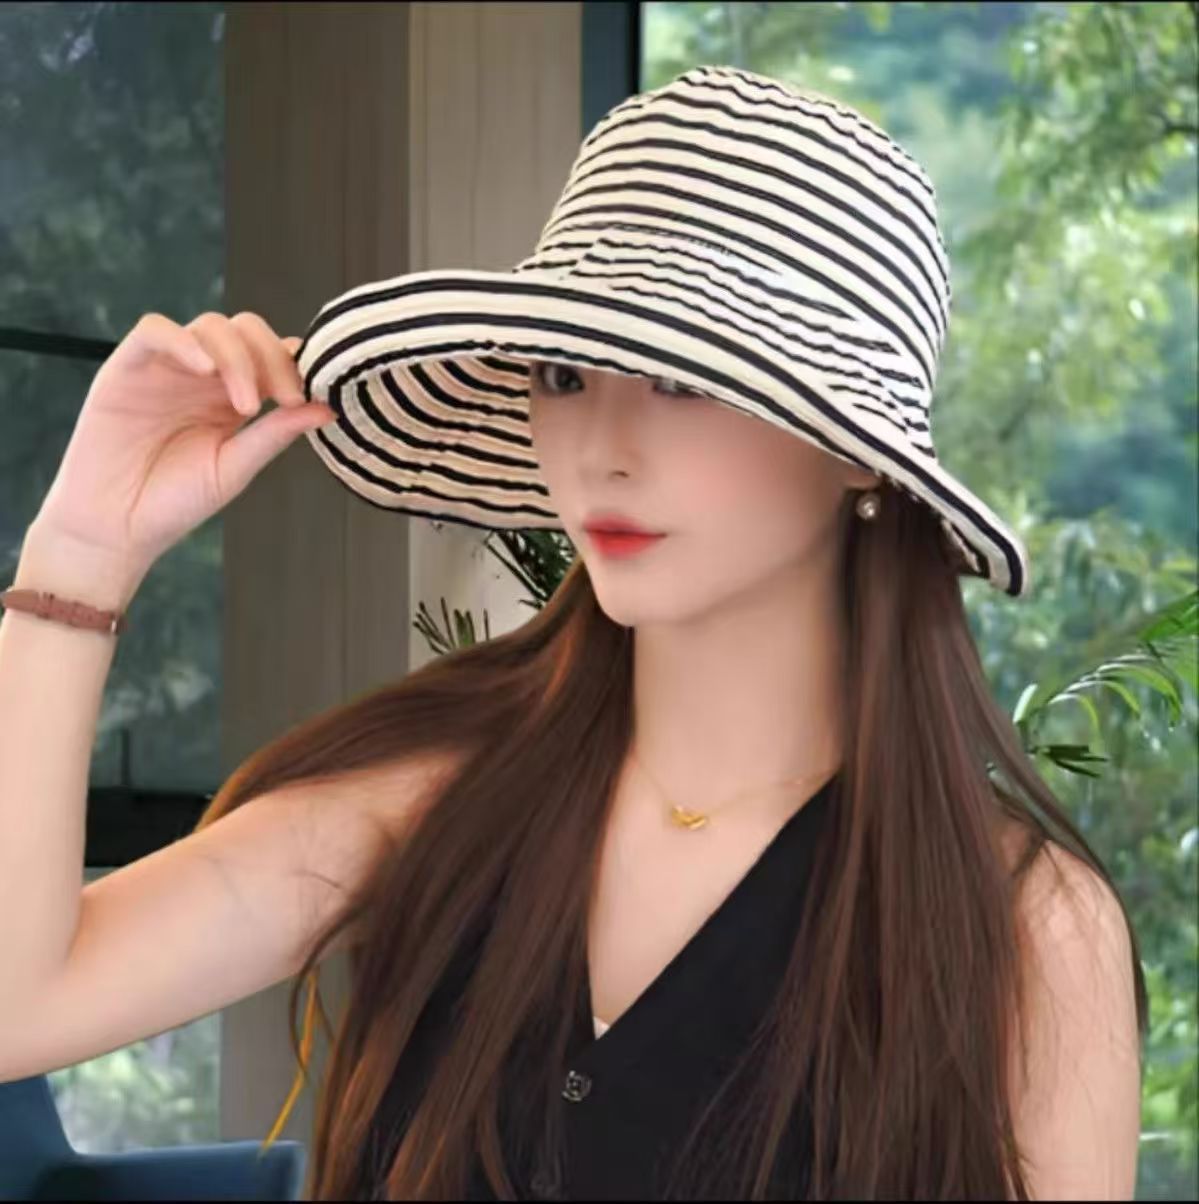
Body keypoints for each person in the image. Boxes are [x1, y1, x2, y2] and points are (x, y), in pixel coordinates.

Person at [0, 65, 1146, 1200]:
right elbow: (19, 1008)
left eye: (681, 381)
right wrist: (83, 552)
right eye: (562, 374)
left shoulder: (1025, 926)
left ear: (855, 451)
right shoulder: (434, 802)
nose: (601, 448)